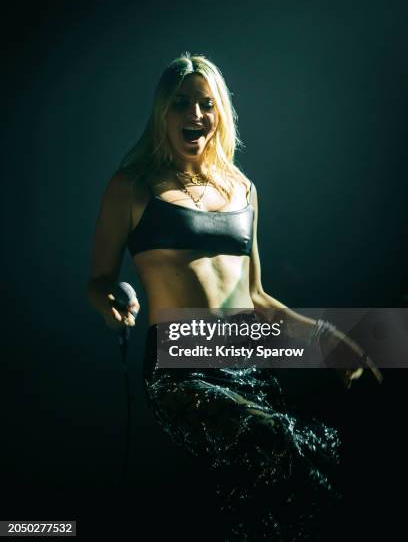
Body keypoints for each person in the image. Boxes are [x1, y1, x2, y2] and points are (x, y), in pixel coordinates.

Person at [87, 53, 379, 540]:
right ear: (163, 112)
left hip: (244, 364)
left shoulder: (243, 189)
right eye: (181, 104)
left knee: (313, 466)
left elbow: (257, 298)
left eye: (206, 104)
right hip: (180, 372)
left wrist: (332, 341)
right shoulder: (132, 187)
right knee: (275, 444)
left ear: (220, 112)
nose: (195, 115)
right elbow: (97, 279)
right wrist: (111, 300)